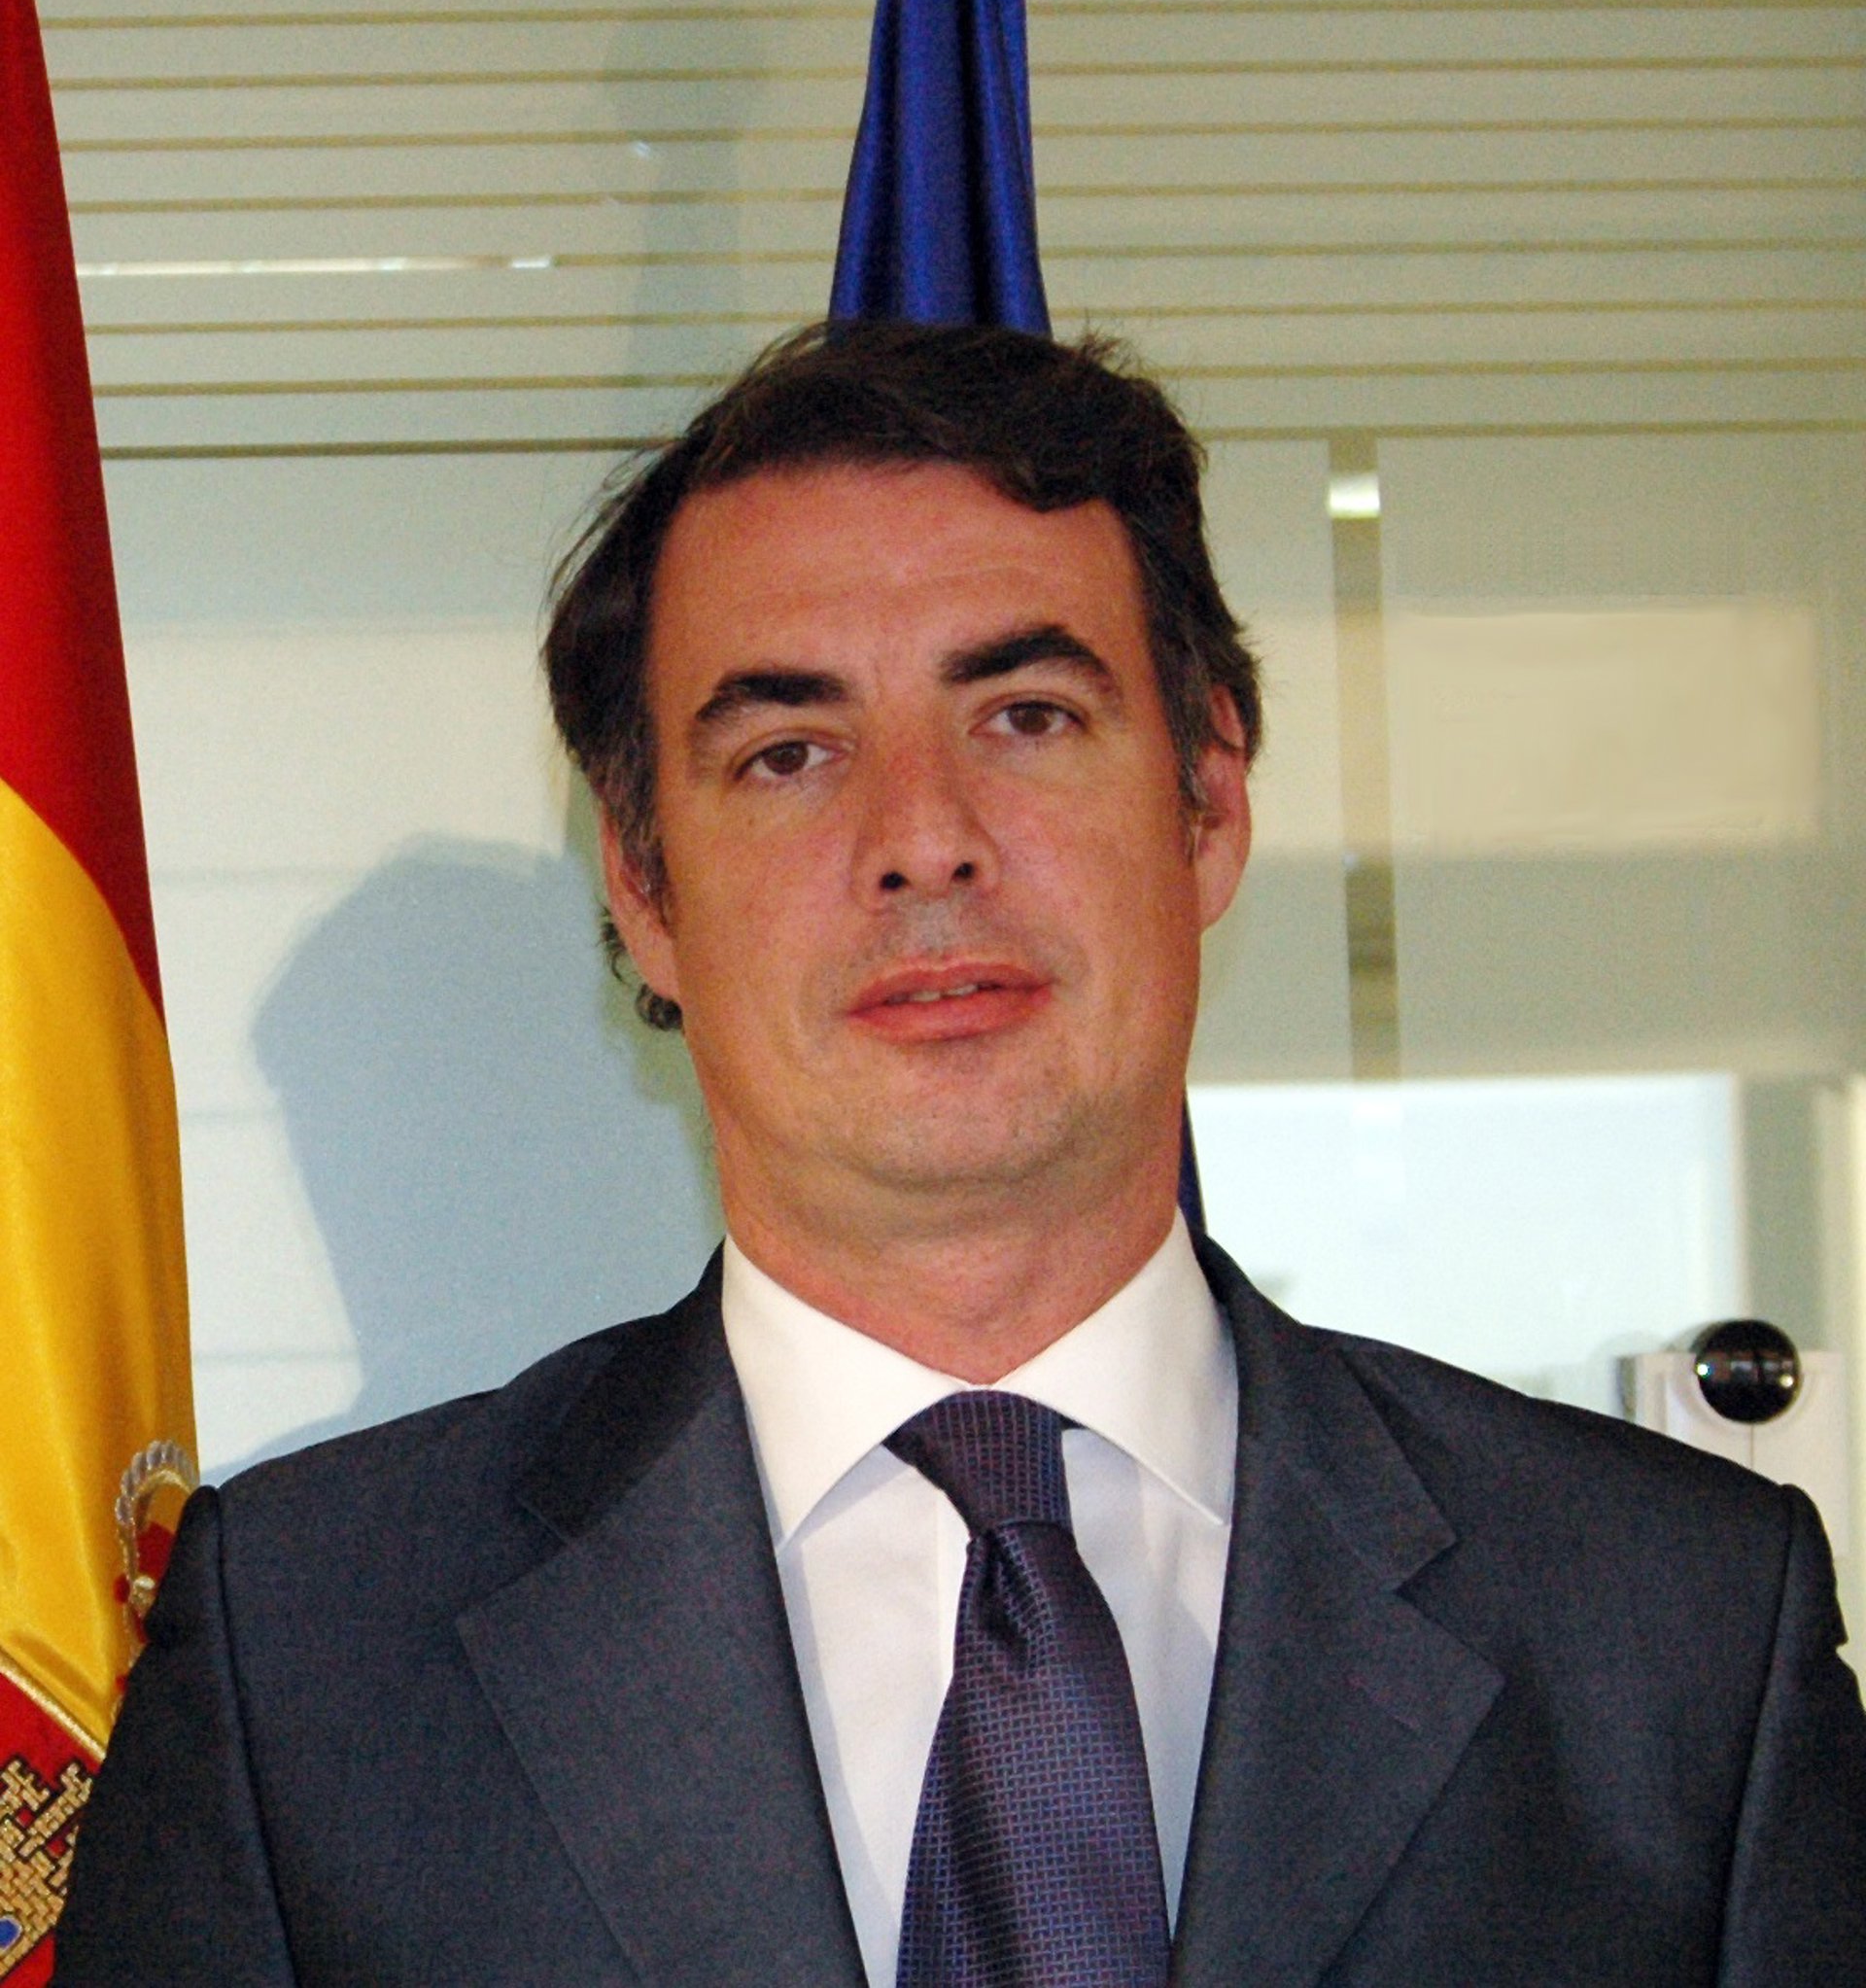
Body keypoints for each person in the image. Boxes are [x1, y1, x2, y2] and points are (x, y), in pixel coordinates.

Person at [56, 323, 1866, 1986]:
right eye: (788, 753)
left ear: (1209, 804)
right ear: (645, 886)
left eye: (1026, 717)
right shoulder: (307, 1657)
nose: (923, 838)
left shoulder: (1683, 1630)